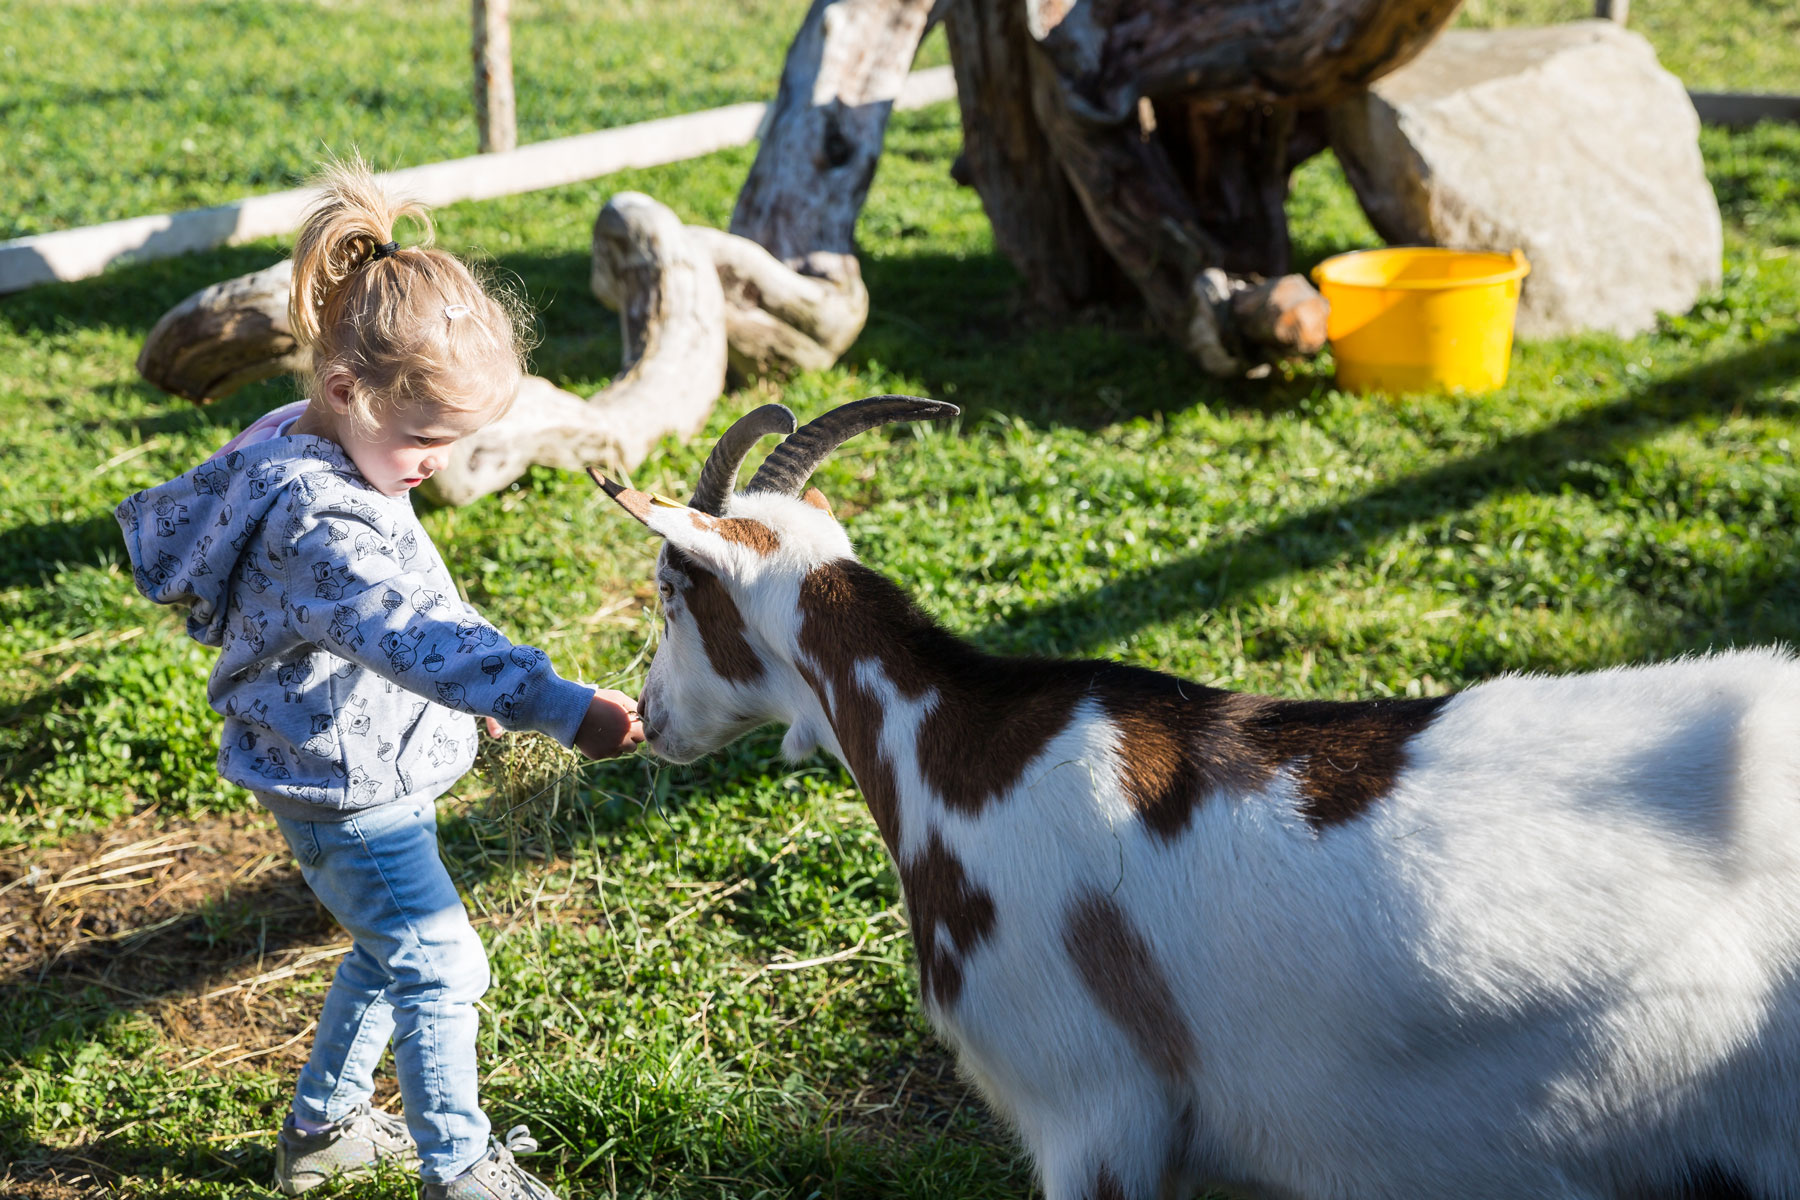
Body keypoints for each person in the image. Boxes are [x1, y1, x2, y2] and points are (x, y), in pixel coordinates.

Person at [115, 157, 643, 1200]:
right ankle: (459, 1171)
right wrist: (553, 706)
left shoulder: (326, 439)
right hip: (347, 790)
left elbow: (414, 606)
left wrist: (467, 689)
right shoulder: (320, 519)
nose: (439, 462)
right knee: (445, 966)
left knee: (388, 950)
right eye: (428, 440)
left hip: (361, 758)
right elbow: (404, 629)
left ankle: (324, 1130)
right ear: (350, 390)